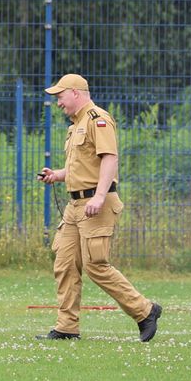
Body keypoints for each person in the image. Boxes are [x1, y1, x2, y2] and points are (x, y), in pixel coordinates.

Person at [37, 73, 160, 342]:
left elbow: (109, 159)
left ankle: (145, 311)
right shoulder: (75, 126)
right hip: (75, 205)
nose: (58, 102)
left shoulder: (98, 119)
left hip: (96, 204)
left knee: (96, 266)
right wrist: (57, 175)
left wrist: (100, 196)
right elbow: (81, 167)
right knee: (65, 263)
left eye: (60, 96)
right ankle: (67, 327)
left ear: (76, 93)